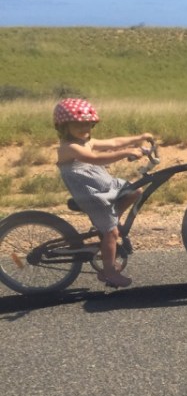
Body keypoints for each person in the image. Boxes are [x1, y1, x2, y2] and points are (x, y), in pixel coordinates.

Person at [54, 97, 154, 288]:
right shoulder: (69, 147)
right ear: (64, 127)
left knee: (134, 191)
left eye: (88, 125)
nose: (85, 130)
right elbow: (95, 159)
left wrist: (138, 138)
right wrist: (126, 153)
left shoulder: (85, 141)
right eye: (78, 126)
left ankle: (109, 221)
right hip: (91, 194)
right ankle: (108, 271)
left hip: (105, 186)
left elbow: (114, 141)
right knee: (111, 233)